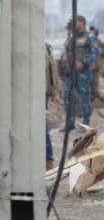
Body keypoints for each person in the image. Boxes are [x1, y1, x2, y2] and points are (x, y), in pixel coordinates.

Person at [59, 15, 99, 131]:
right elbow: (66, 50)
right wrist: (64, 57)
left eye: (75, 22)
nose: (73, 24)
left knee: (84, 98)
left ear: (82, 23)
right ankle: (69, 123)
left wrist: (83, 63)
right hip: (69, 72)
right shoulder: (71, 37)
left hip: (83, 73)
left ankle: (85, 125)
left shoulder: (89, 38)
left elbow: (95, 55)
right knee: (68, 97)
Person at [45, 42, 60, 170]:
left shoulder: (39, 48)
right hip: (40, 93)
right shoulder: (45, 47)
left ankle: (48, 163)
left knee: (41, 128)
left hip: (35, 94)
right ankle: (48, 162)